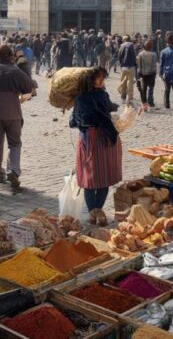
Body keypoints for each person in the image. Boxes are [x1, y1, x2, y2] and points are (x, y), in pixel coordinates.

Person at [69, 67, 122, 227]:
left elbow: (106, 109)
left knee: (104, 176)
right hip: (91, 140)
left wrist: (114, 108)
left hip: (104, 140)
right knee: (91, 178)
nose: (101, 81)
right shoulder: (82, 98)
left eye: (102, 78)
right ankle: (94, 211)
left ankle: (97, 211)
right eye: (98, 78)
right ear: (90, 80)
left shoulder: (101, 94)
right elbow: (77, 119)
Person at [0, 44, 35, 190]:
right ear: (10, 55)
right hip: (13, 113)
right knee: (15, 143)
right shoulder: (15, 71)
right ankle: (14, 171)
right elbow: (28, 87)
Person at [136, 40, 158, 109]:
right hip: (152, 73)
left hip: (143, 74)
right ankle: (150, 102)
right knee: (151, 88)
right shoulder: (154, 54)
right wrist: (155, 73)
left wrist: (138, 75)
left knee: (144, 89)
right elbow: (154, 65)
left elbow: (139, 66)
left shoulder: (140, 54)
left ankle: (144, 103)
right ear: (151, 47)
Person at [116, 35, 137, 105]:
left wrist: (121, 65)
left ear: (124, 40)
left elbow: (119, 56)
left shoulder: (122, 46)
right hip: (131, 67)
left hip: (124, 67)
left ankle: (123, 98)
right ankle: (129, 99)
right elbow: (134, 56)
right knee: (130, 83)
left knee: (123, 83)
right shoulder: (132, 46)